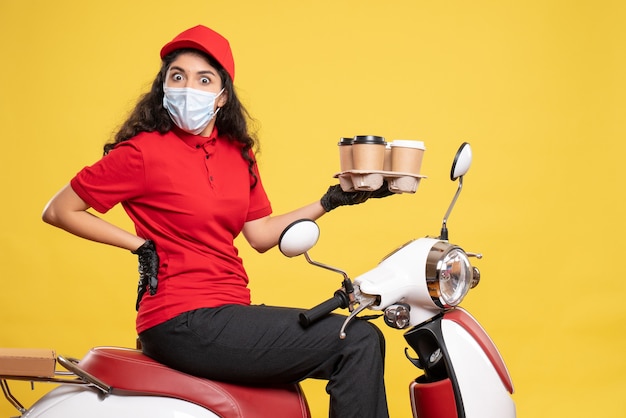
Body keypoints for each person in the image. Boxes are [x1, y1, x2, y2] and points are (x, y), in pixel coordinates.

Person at [42, 24, 391, 417]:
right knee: (356, 339)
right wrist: (139, 245)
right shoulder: (142, 152)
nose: (188, 87)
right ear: (164, 87)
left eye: (203, 79)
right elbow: (59, 210)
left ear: (222, 95)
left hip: (226, 311)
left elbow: (259, 235)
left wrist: (332, 201)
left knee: (356, 335)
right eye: (178, 77)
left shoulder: (237, 152)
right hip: (181, 319)